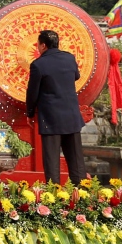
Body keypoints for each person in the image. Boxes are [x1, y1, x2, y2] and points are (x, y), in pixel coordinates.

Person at [25, 29, 88, 183]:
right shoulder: (69, 58)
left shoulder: (38, 65)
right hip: (72, 115)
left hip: (51, 117)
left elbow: (32, 92)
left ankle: (54, 196)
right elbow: (76, 76)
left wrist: (30, 112)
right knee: (76, 160)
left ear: (43, 46)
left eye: (38, 44)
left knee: (52, 160)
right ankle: (81, 195)